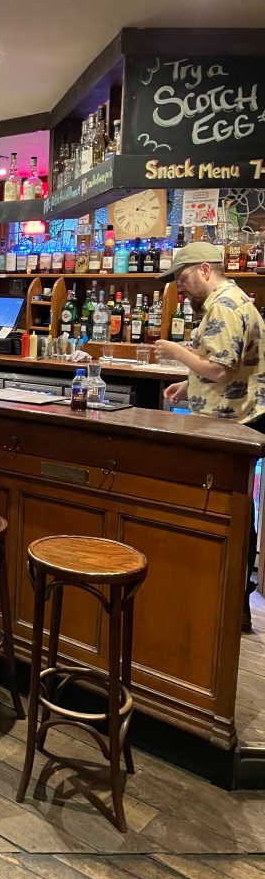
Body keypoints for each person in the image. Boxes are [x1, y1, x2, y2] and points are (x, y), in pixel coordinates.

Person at [154, 241, 265, 629]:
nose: (180, 288)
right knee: (235, 512)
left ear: (204, 269)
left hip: (236, 421)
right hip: (230, 415)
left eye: (182, 279)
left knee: (232, 514)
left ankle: (231, 608)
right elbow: (227, 366)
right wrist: (188, 386)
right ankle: (232, 606)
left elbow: (220, 370)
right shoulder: (230, 299)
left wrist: (174, 352)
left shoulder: (223, 304)